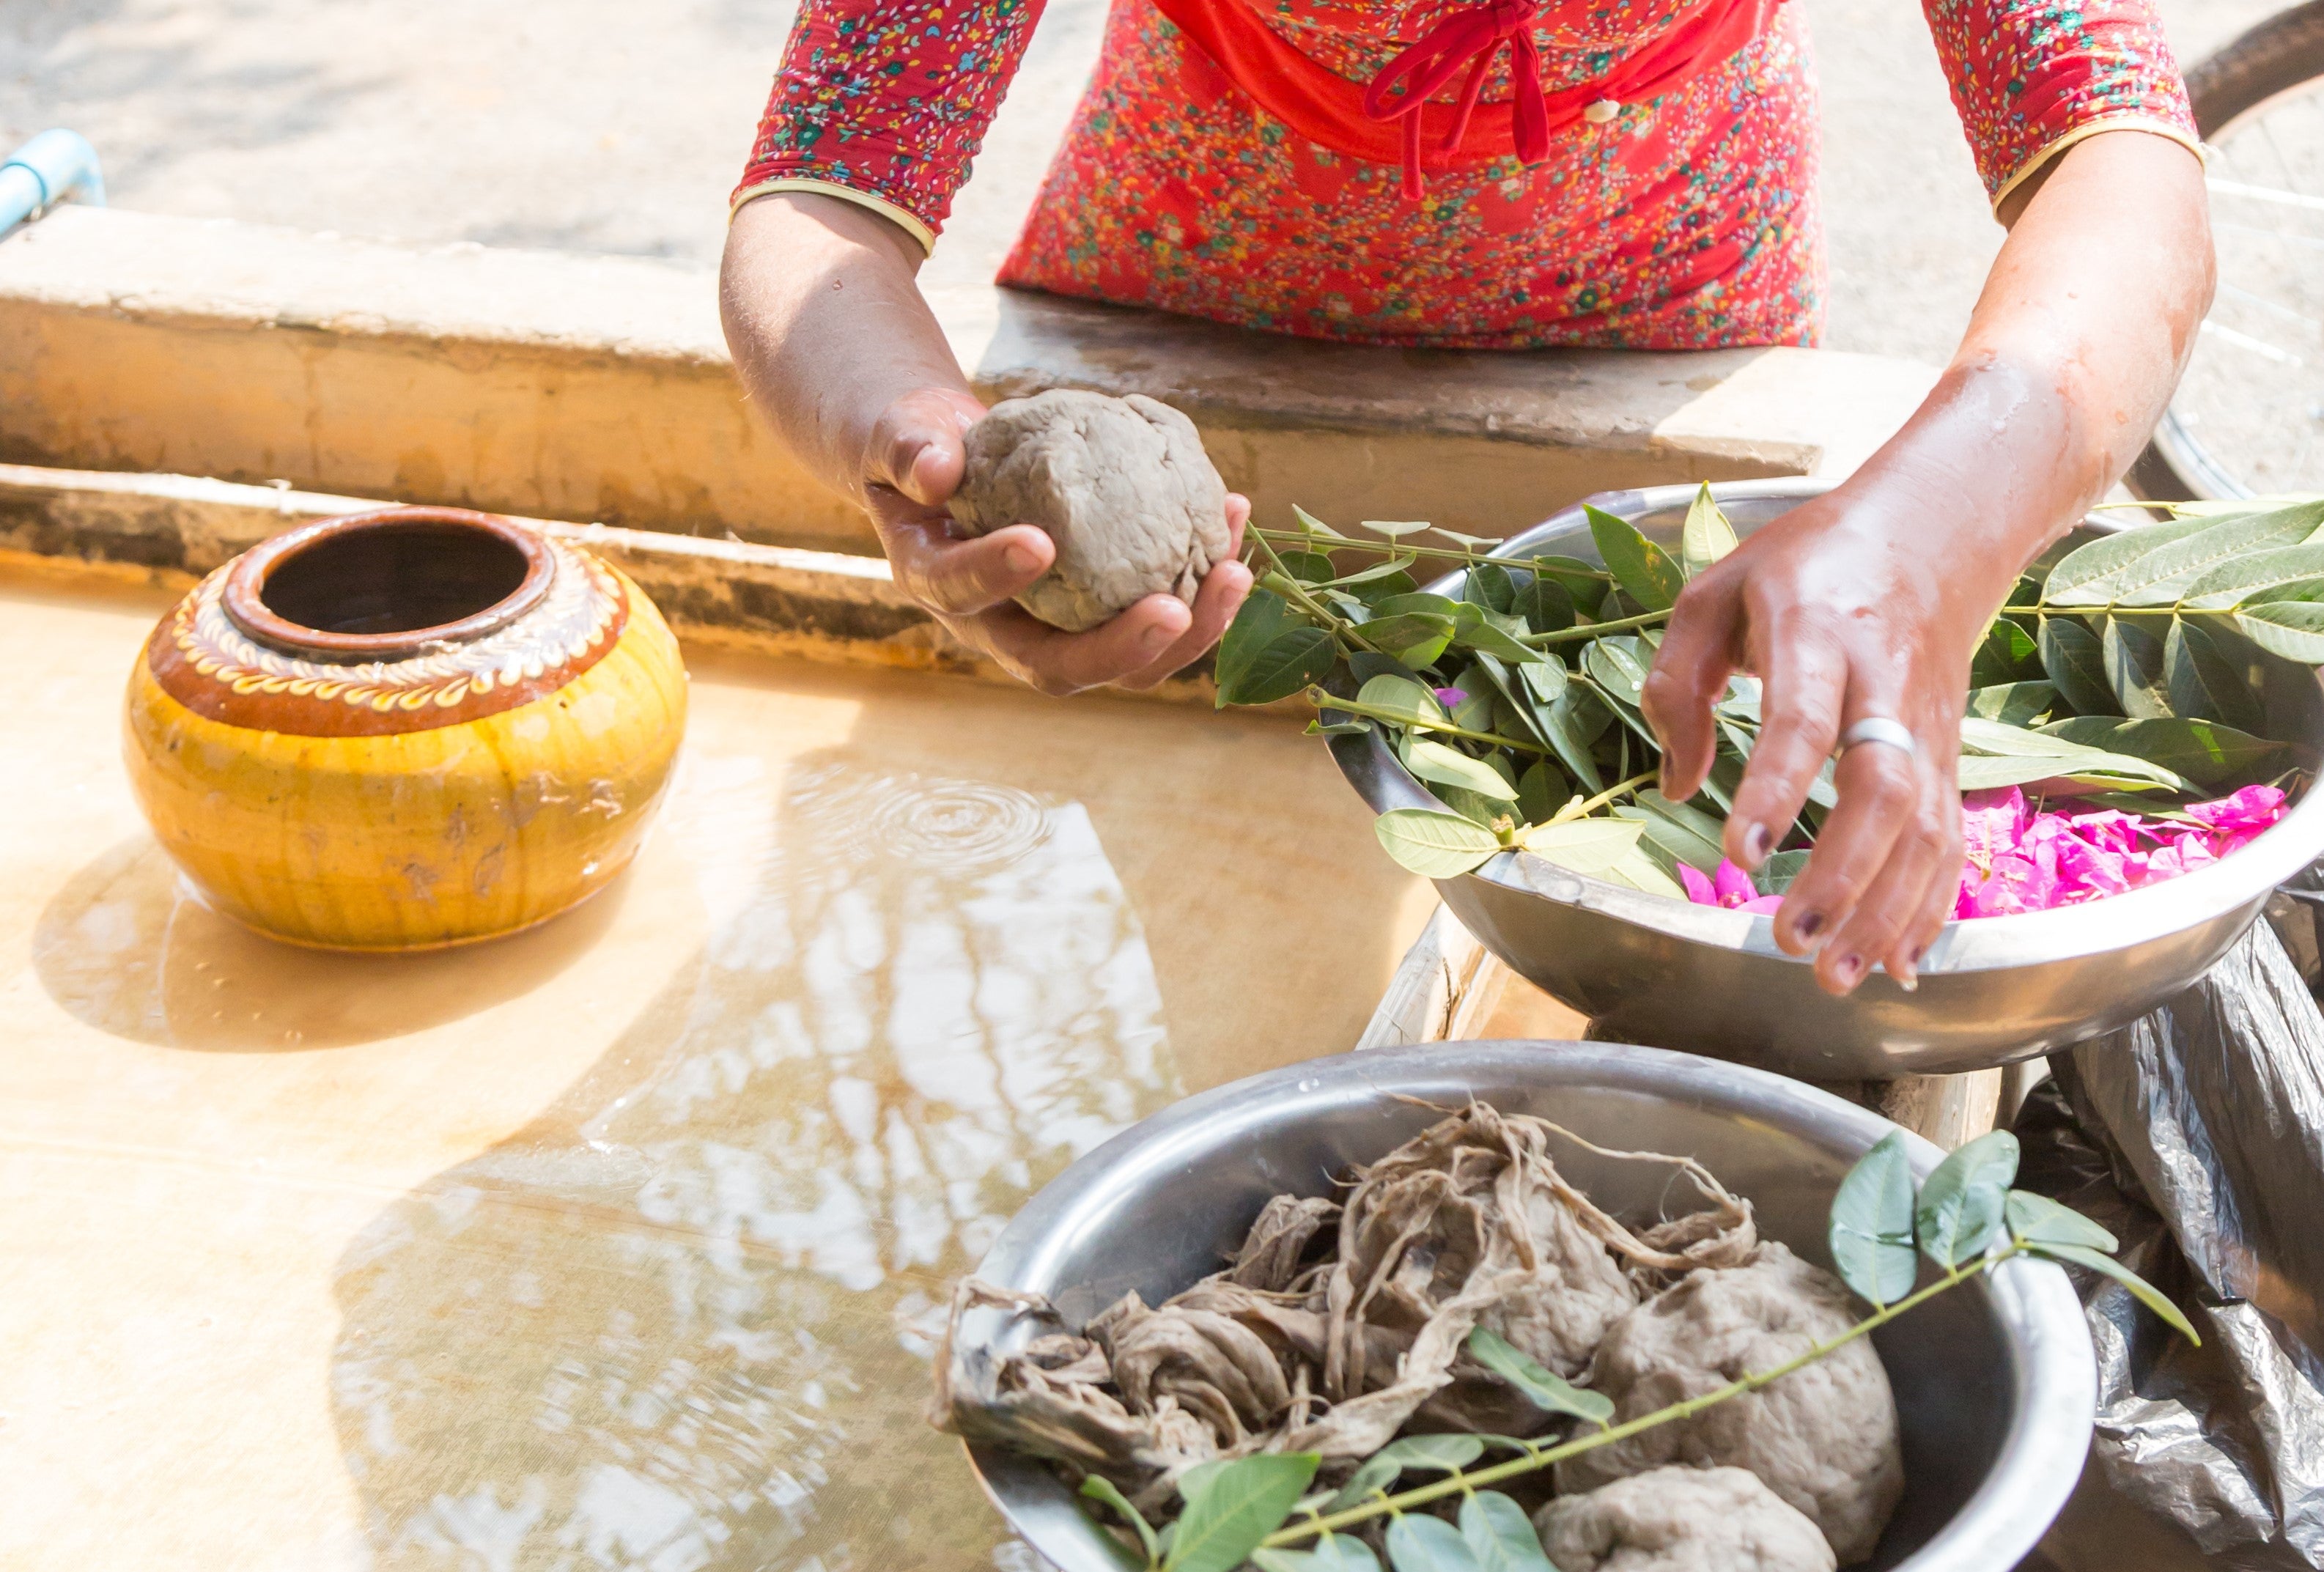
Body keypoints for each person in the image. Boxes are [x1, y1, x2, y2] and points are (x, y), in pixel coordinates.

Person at [717, 0, 2214, 996]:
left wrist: (1933, 531)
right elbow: (820, 193)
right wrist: (913, 437)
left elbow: (2119, 155)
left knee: (1658, 921)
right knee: (1226, 946)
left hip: (1668, 331)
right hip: (1179, 322)